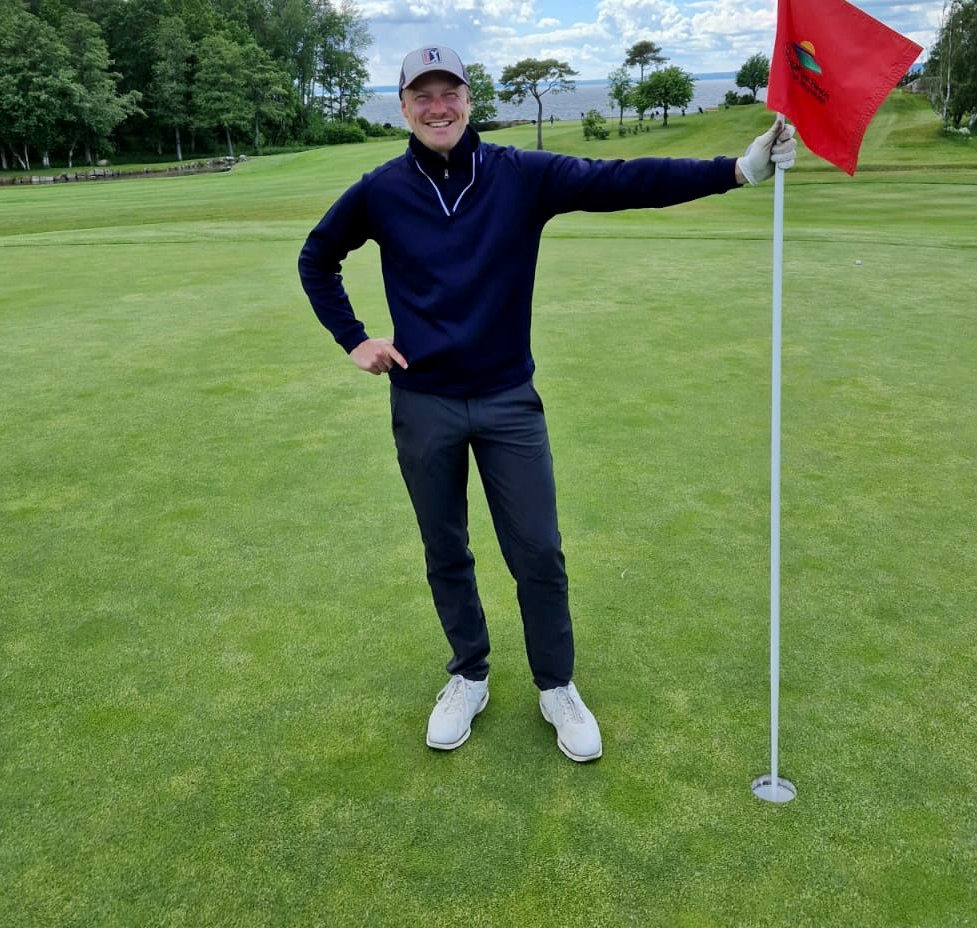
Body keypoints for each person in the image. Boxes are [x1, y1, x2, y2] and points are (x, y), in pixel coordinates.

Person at [298, 45, 795, 763]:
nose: (438, 107)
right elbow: (318, 257)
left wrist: (736, 171)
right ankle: (468, 675)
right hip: (424, 402)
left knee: (538, 550)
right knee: (446, 548)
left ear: (470, 98)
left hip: (507, 399)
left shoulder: (518, 175)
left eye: (450, 93)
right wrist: (353, 339)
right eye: (422, 95)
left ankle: (556, 685)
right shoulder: (380, 190)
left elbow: (622, 181)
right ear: (402, 106)